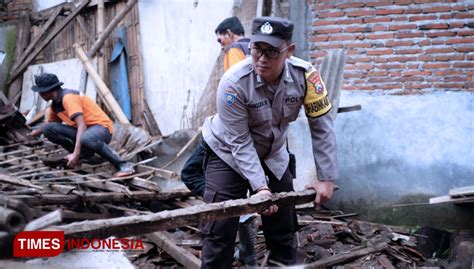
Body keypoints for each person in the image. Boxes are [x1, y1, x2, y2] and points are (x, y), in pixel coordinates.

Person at [200, 16, 337, 267]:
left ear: (289, 51)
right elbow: (239, 142)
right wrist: (261, 188)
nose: (262, 58)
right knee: (219, 227)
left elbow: (322, 126)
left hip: (273, 154)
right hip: (227, 153)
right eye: (257, 49)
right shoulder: (233, 83)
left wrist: (326, 177)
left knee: (283, 225)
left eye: (272, 52)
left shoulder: (306, 77)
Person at [181, 16, 257, 267]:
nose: (220, 45)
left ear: (229, 34)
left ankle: (231, 212)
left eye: (220, 39)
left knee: (190, 172)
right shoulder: (258, 50)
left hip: (230, 134)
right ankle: (247, 251)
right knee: (242, 188)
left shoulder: (235, 51)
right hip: (254, 135)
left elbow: (236, 90)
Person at [29, 73, 134, 177]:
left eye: (40, 92)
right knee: (48, 129)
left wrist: (76, 154)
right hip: (86, 132)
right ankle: (86, 155)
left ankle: (123, 165)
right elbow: (51, 125)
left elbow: (82, 126)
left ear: (47, 91)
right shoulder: (55, 105)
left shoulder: (68, 98)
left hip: (101, 129)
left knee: (86, 138)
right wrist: (34, 134)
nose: (40, 95)